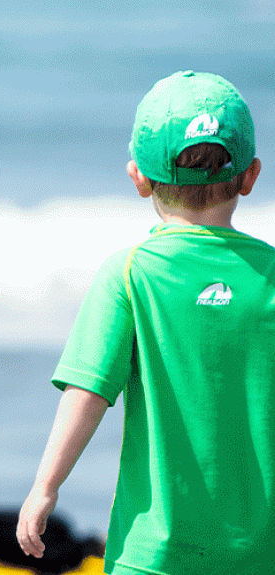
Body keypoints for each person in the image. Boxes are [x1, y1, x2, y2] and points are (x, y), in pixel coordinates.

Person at [16, 70, 274, 575]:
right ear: (250, 175)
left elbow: (87, 393)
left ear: (138, 176)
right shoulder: (269, 277)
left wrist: (45, 487)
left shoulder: (129, 274)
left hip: (153, 557)